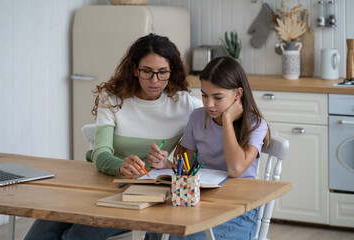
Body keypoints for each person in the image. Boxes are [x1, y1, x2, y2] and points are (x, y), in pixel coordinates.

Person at [25, 33, 202, 240]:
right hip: (99, 184)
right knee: (41, 231)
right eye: (147, 71)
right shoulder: (113, 98)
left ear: (172, 71)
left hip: (140, 196)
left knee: (76, 236)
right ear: (135, 70)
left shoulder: (185, 105)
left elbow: (221, 117)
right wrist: (120, 166)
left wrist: (169, 163)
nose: (155, 80)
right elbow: (100, 153)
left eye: (162, 72)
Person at [147, 56, 270, 240]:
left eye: (217, 97)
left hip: (239, 211)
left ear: (238, 94)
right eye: (204, 95)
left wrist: (227, 120)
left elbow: (235, 169)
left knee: (184, 237)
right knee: (157, 230)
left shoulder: (256, 124)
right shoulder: (197, 117)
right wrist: (166, 163)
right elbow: (186, 168)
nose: (209, 104)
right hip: (201, 204)